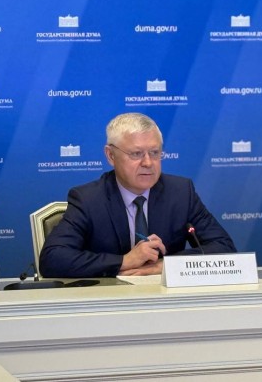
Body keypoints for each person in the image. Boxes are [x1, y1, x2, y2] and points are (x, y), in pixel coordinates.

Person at [39, 112, 236, 278]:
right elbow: (52, 259)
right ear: (110, 155)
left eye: (155, 152)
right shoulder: (89, 199)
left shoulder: (181, 193)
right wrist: (125, 261)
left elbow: (224, 247)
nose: (148, 163)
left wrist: (166, 266)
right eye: (136, 154)